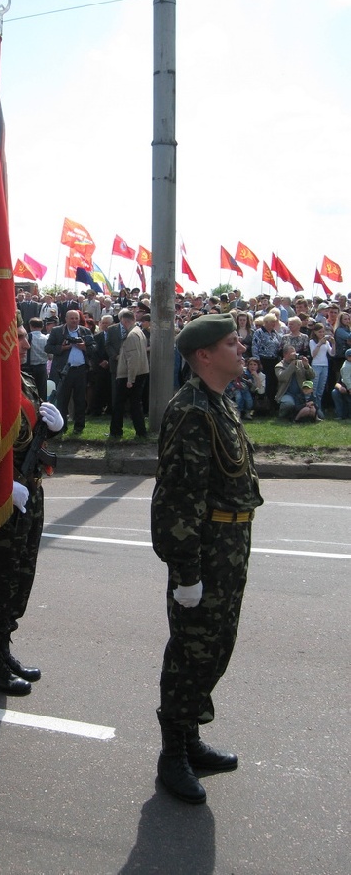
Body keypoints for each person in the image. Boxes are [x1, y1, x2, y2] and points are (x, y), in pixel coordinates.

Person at [151, 314, 264, 805]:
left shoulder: (218, 403)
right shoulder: (191, 411)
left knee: (216, 647)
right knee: (191, 652)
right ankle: (173, 753)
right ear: (205, 355)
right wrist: (186, 573)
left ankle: (191, 736)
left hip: (230, 547)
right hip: (206, 553)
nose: (241, 349)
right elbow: (178, 498)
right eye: (232, 343)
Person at [0, 323, 63, 695]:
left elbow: (29, 438)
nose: (25, 343)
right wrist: (0, 483)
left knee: (21, 577)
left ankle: (4, 648)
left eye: (24, 337)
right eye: (19, 337)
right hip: (3, 495)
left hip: (31, 493)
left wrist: (53, 429)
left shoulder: (25, 381)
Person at [45, 310, 95, 434]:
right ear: (66, 319)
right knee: (62, 400)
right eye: (71, 318)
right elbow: (48, 347)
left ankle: (79, 427)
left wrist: (84, 347)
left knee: (80, 399)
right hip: (63, 371)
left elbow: (94, 347)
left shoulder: (85, 331)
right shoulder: (57, 331)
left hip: (80, 370)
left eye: (76, 318)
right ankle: (62, 427)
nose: (74, 320)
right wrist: (62, 348)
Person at [108, 308, 149, 439]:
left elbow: (133, 359)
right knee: (135, 404)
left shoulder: (131, 335)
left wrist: (130, 379)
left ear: (125, 321)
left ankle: (116, 431)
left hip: (129, 374)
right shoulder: (139, 332)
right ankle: (141, 432)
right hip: (139, 372)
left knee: (120, 404)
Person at [274, 346, 316, 420]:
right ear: (285, 354)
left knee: (317, 413)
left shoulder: (300, 363)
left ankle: (296, 416)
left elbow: (312, 376)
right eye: (291, 353)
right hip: (287, 393)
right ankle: (282, 416)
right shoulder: (279, 366)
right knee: (289, 404)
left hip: (301, 393)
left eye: (295, 352)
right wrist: (292, 365)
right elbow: (282, 378)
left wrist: (307, 366)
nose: (294, 354)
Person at [24, 316, 49, 402]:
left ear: (31, 326)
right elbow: (50, 356)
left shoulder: (27, 337)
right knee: (42, 392)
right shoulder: (46, 338)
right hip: (42, 367)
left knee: (29, 392)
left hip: (29, 368)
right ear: (42, 327)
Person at [331, 347, 351, 419]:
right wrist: (341, 388)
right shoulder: (346, 366)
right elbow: (340, 381)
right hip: (347, 388)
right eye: (350, 356)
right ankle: (340, 415)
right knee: (335, 392)